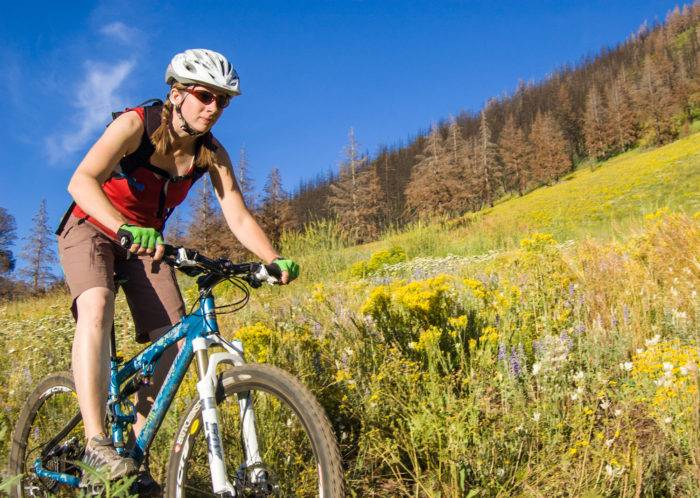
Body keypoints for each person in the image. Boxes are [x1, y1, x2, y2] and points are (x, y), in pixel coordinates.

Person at [56, 48, 299, 492]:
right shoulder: (135, 125)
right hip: (91, 226)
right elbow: (81, 181)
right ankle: (95, 441)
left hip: (145, 243)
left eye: (223, 101)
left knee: (172, 342)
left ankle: (131, 456)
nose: (213, 108)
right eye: (205, 95)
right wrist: (124, 226)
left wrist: (271, 258)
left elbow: (238, 215)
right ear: (176, 93)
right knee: (97, 306)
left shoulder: (210, 153)